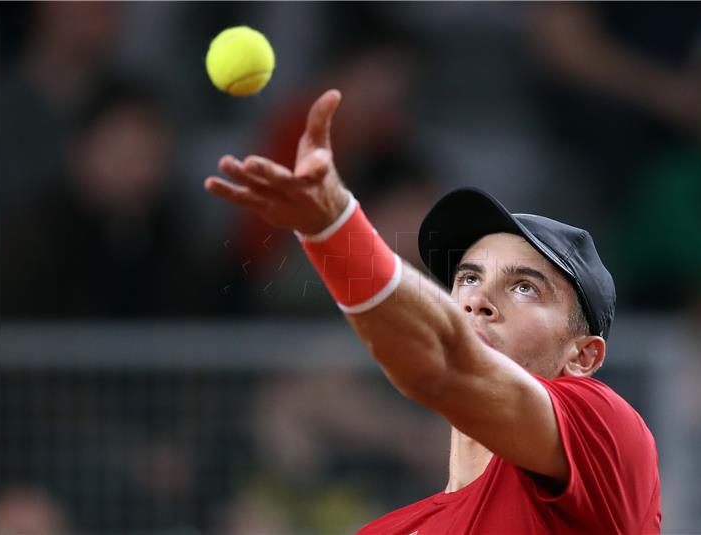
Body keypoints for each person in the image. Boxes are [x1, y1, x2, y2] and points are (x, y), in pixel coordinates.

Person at [204, 89, 661, 534]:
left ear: (583, 357)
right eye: (468, 278)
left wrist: (332, 227)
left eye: (524, 287)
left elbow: (444, 366)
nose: (479, 299)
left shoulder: (604, 432)